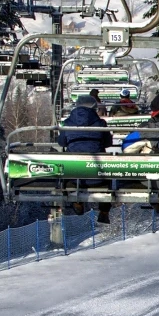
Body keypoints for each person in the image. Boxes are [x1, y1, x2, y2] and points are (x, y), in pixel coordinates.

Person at [58, 94, 112, 224]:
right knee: (111, 178)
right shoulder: (100, 123)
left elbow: (62, 143)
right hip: (98, 175)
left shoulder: (67, 123)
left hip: (74, 175)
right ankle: (104, 210)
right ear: (94, 108)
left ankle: (78, 201)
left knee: (70, 164)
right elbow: (108, 142)